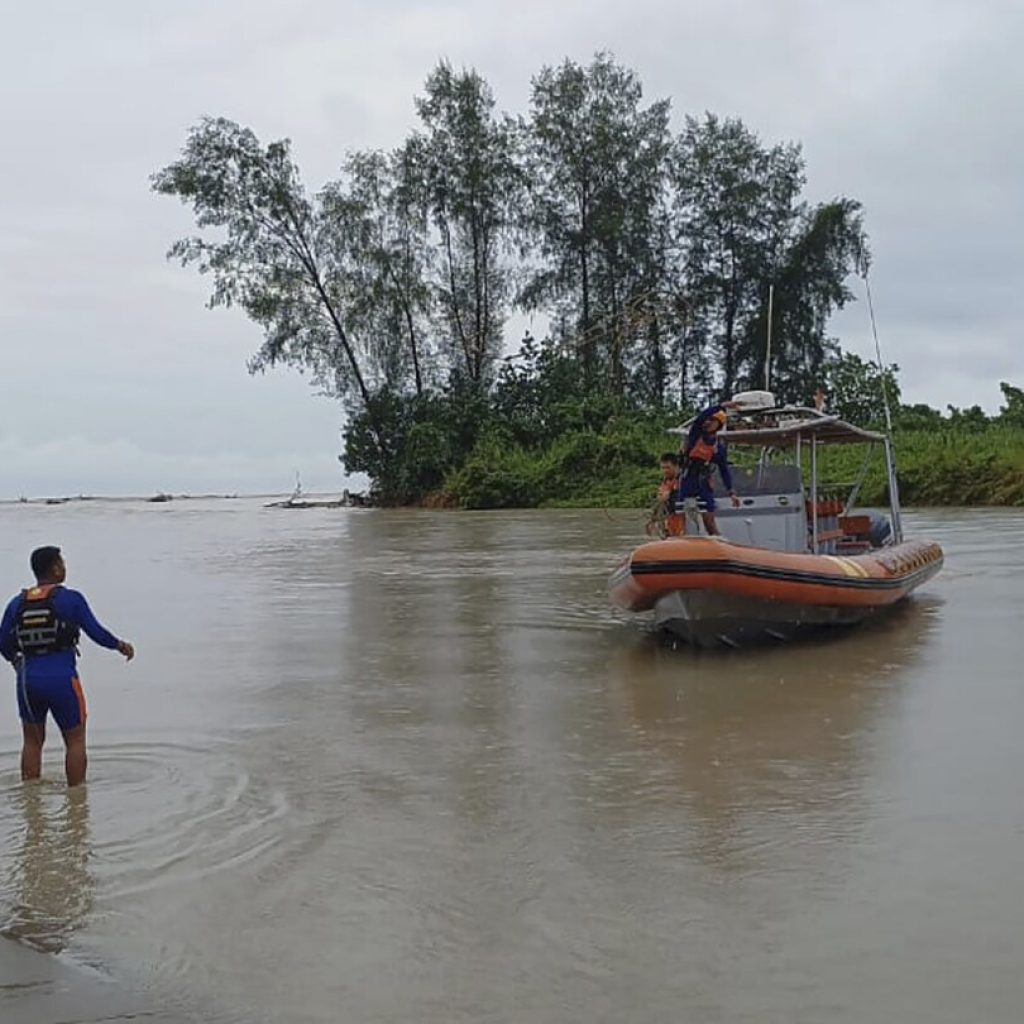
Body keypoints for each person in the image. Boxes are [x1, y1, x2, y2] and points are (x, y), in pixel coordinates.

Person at [0, 546, 134, 787]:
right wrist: (120, 645)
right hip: (62, 679)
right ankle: (77, 800)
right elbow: (97, 633)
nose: (65, 566)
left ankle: (31, 800)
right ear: (55, 568)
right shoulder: (71, 599)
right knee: (75, 741)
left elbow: (4, 644)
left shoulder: (16, 603)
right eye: (62, 562)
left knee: (32, 742)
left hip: (27, 682)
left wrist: (18, 664)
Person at [677, 403, 741, 536]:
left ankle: (717, 540)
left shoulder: (719, 448)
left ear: (719, 424)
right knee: (683, 516)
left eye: (712, 420)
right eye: (708, 420)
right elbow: (700, 417)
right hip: (688, 479)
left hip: (703, 482)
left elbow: (724, 470)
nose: (708, 422)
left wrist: (731, 492)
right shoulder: (696, 434)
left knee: (709, 520)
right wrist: (721, 406)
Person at [646, 453, 684, 537]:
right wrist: (652, 521)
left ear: (676, 466)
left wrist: (670, 495)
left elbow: (686, 501)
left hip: (682, 522)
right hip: (670, 523)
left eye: (668, 468)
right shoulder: (665, 482)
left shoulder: (684, 481)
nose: (665, 471)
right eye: (663, 468)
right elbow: (659, 505)